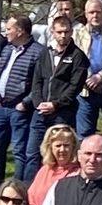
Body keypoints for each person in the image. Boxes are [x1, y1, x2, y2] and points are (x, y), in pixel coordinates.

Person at [27, 17, 87, 178]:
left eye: (66, 32)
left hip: (62, 113)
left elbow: (75, 87)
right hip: (40, 112)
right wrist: (39, 103)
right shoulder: (45, 53)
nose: (63, 36)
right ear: (52, 32)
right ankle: (28, 190)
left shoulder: (77, 56)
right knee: (32, 154)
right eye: (59, 32)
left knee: (60, 155)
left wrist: (55, 104)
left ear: (71, 32)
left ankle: (57, 185)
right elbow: (37, 80)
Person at [0, 14, 42, 180]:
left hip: (20, 109)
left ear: (20, 31)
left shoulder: (38, 52)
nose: (5, 33)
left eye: (8, 29)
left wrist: (25, 103)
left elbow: (39, 83)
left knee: (19, 150)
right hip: (1, 106)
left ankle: (19, 186)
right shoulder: (7, 49)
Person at [74, 0, 102, 137]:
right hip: (85, 89)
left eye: (98, 12)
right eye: (91, 12)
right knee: (84, 132)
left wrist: (100, 77)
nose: (95, 15)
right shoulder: (77, 35)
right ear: (86, 14)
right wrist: (89, 78)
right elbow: (75, 60)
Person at [26, 125, 80, 205]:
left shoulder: (79, 173)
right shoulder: (45, 170)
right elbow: (30, 198)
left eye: (66, 145)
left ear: (73, 147)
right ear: (50, 147)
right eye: (58, 146)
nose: (62, 150)